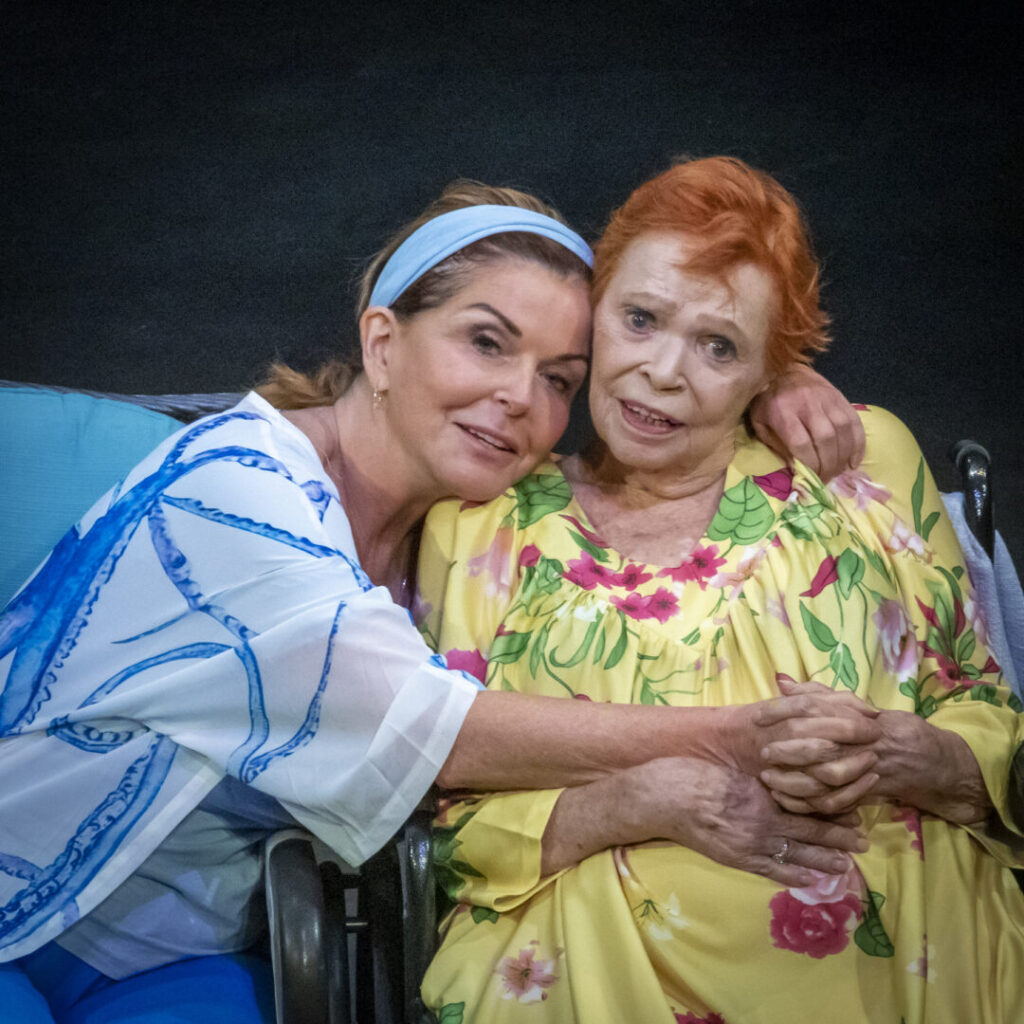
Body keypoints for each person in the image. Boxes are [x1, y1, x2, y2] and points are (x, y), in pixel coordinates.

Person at [0, 179, 870, 1022]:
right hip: (18, 910)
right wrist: (738, 738)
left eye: (561, 377)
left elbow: (659, 387)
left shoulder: (461, 526)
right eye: (486, 342)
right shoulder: (240, 493)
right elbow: (441, 735)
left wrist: (770, 386)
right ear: (382, 342)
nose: (520, 399)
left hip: (170, 952)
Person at [416, 158, 1024, 1023]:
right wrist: (629, 805)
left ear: (765, 372)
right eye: (639, 319)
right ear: (591, 317)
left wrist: (915, 755)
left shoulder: (860, 460)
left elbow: (985, 706)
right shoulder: (481, 523)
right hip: (597, 972)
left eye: (719, 346)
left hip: (913, 963)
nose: (664, 372)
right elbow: (435, 828)